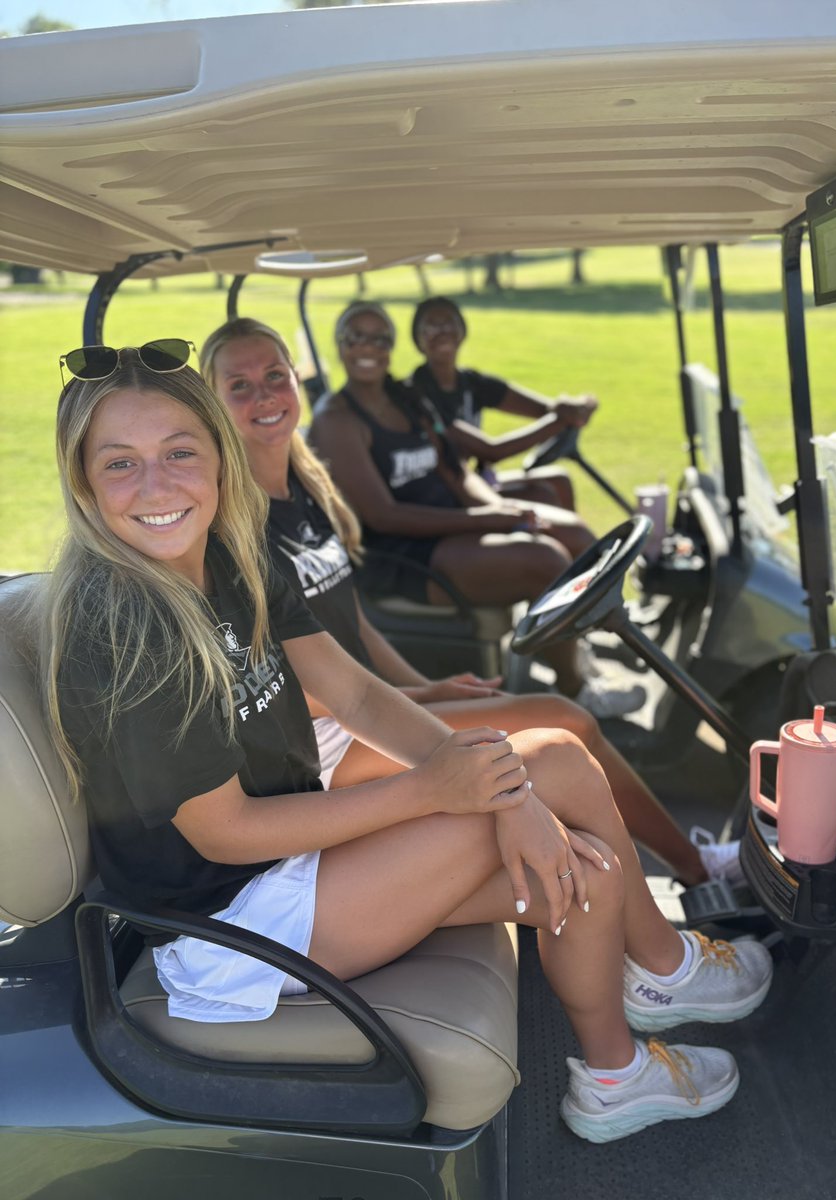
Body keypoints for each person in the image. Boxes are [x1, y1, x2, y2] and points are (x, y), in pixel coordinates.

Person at [41, 339, 773, 1144]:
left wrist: (496, 787)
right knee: (554, 777)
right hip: (227, 926)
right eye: (120, 463)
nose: (156, 485)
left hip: (288, 864)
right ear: (84, 483)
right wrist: (437, 789)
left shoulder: (231, 557)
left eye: (179, 452)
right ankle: (660, 984)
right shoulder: (123, 632)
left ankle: (616, 1075)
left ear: (218, 455)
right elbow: (227, 832)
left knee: (584, 863)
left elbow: (353, 692)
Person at [201, 316, 741, 889]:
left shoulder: (307, 488)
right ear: (211, 402)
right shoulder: (233, 525)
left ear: (295, 380)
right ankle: (699, 870)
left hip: (371, 711)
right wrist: (418, 699)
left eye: (275, 375)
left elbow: (353, 623)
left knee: (553, 724)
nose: (264, 395)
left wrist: (428, 688)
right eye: (240, 385)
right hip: (321, 741)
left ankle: (660, 876)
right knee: (567, 721)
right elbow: (287, 685)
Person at [308, 300, 643, 720]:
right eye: (355, 337)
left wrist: (500, 507)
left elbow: (454, 470)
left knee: (577, 536)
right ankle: (575, 691)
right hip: (403, 554)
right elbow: (384, 516)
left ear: (392, 347)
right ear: (340, 344)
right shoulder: (337, 420)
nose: (367, 347)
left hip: (450, 527)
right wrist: (489, 520)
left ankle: (573, 650)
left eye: (379, 338)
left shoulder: (406, 398)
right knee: (546, 561)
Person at [410, 294, 596, 509]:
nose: (443, 331)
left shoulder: (472, 382)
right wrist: (560, 421)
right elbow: (492, 451)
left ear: (462, 331)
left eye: (449, 323)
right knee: (543, 497)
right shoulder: (417, 392)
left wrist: (578, 407)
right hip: (446, 489)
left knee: (559, 481)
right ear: (418, 339)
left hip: (475, 478)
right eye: (432, 325)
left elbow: (546, 408)